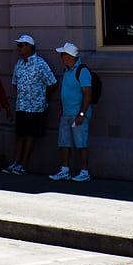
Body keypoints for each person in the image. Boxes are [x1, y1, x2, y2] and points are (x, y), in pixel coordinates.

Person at [3, 34, 56, 174]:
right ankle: (16, 162)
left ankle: (24, 164)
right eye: (18, 45)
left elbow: (52, 83)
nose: (18, 48)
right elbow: (14, 82)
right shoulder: (19, 63)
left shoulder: (40, 63)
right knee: (20, 134)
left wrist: (43, 98)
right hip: (21, 105)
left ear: (29, 47)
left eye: (21, 45)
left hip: (35, 107)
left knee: (30, 135)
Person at [49, 42, 93, 182]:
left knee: (81, 144)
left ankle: (84, 171)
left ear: (70, 56)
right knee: (64, 143)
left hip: (78, 114)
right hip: (66, 113)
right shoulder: (66, 70)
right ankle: (64, 170)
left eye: (63, 54)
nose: (61, 57)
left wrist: (81, 114)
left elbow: (87, 94)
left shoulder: (82, 71)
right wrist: (62, 109)